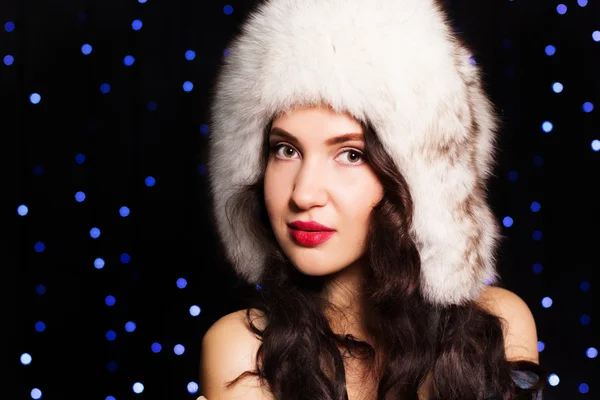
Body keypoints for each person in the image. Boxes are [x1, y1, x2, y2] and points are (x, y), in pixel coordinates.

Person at [199, 0, 547, 399]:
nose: (304, 193)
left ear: (420, 179)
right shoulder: (244, 351)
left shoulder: (496, 328)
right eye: (286, 150)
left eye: (351, 154)